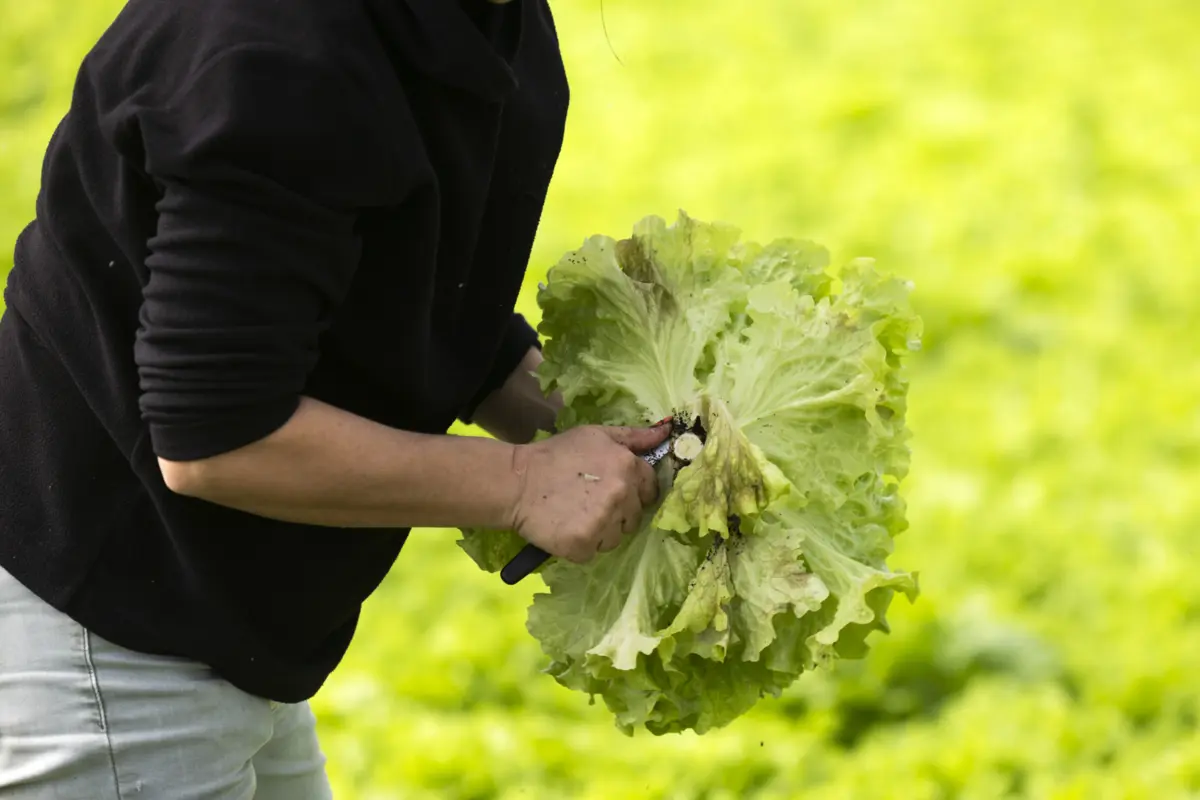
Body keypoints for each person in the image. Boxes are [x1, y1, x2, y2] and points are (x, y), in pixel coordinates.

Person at [0, 0, 671, 796]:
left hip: (218, 624)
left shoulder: (493, 22)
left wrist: (585, 424)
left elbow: (401, 280)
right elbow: (214, 436)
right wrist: (526, 484)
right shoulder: (277, 51)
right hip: (104, 642)